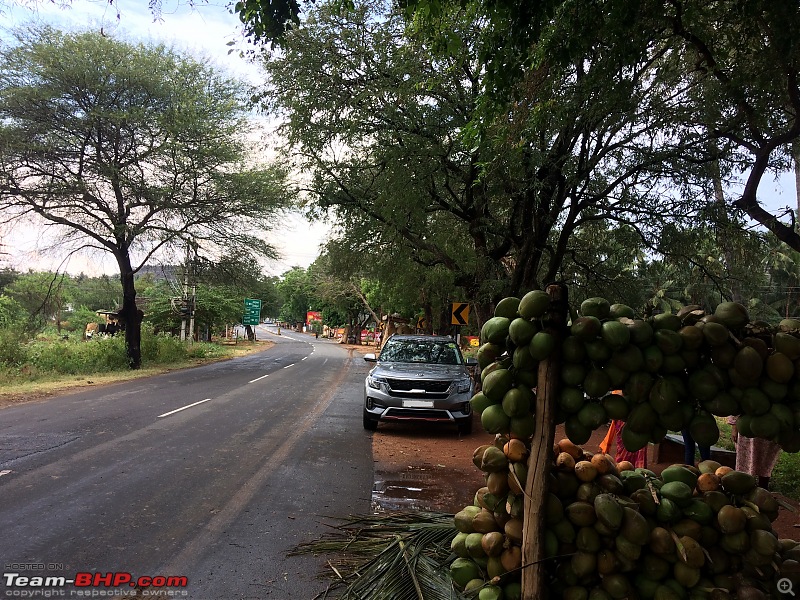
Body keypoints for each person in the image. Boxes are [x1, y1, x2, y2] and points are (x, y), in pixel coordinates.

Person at [727, 415, 781, 489]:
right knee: (745, 461)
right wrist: (734, 425)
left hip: (770, 427)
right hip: (747, 426)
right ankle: (743, 486)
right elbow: (737, 405)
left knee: (766, 462)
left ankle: (763, 488)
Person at [598, 391, 647, 468]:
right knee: (623, 443)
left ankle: (638, 469)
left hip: (636, 413)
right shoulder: (616, 388)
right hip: (621, 413)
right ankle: (623, 467)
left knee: (638, 440)